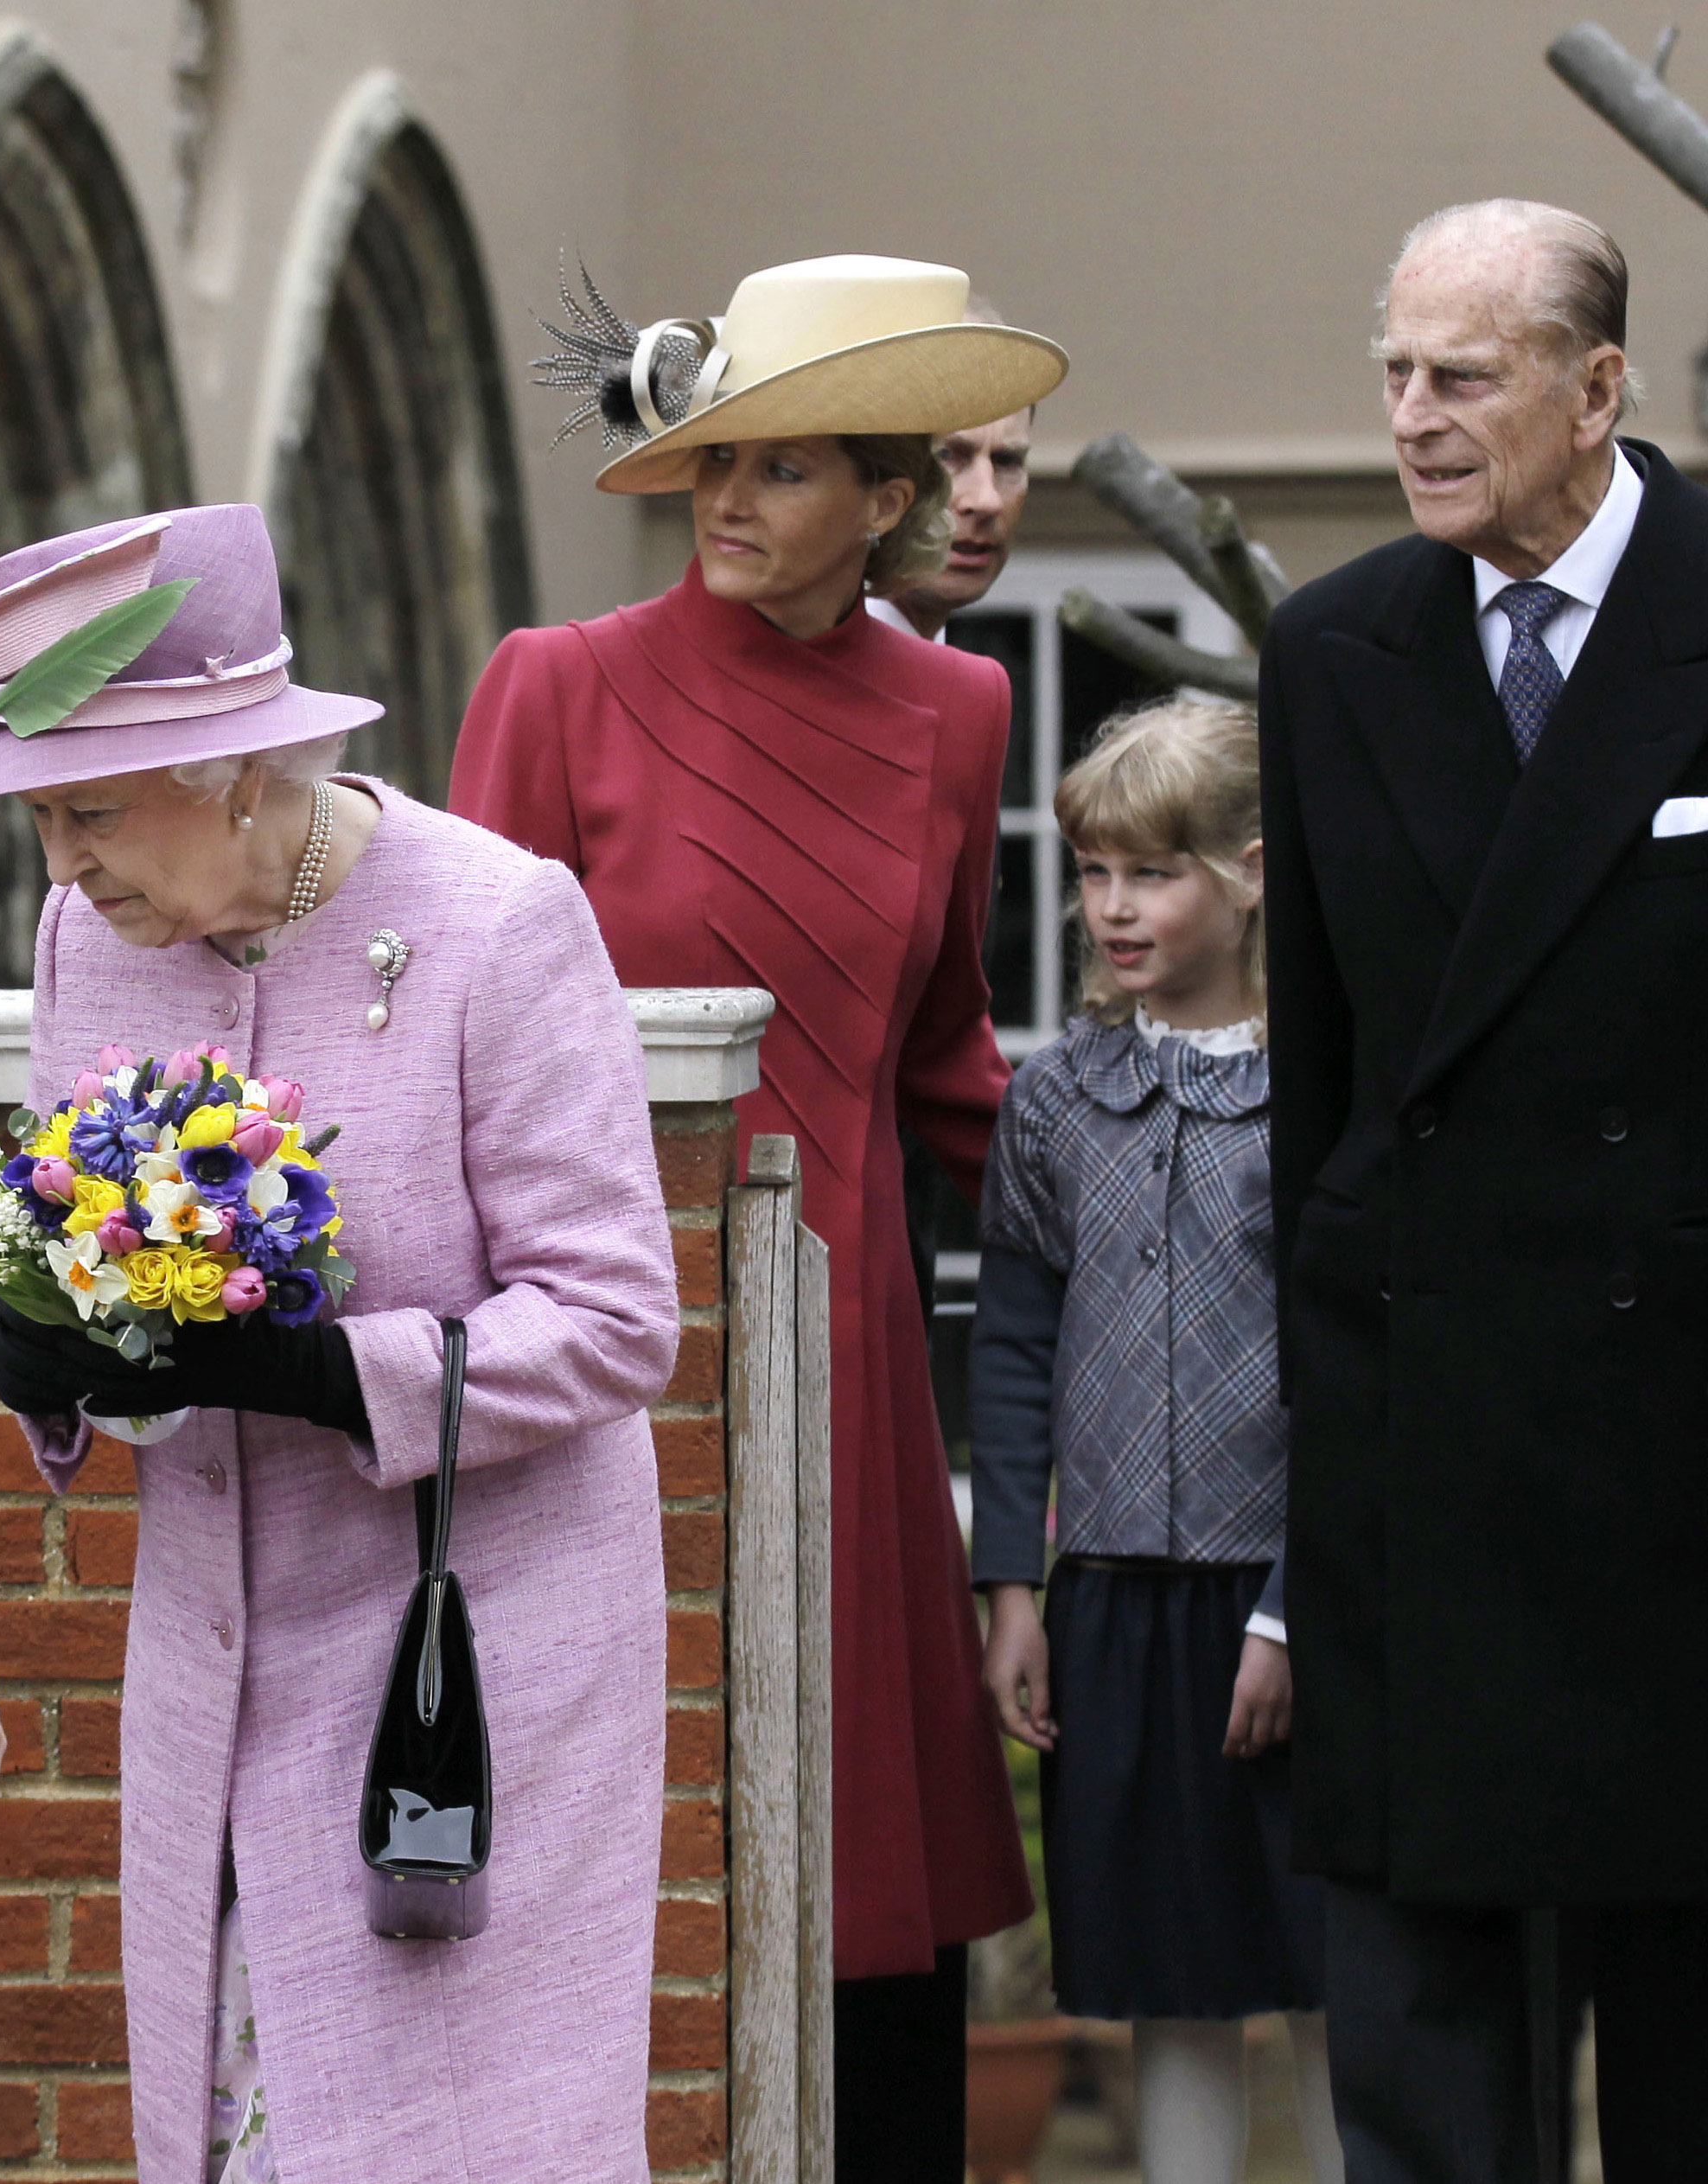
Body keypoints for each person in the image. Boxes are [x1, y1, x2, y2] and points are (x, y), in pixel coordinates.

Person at [0, 501, 679, 2181]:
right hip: (217, 1648)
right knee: (242, 2123)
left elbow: (619, 1322)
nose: (66, 868)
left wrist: (331, 1376)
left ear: (242, 772)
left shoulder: (497, 924)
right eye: (38, 822)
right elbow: (76, 1262)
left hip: (474, 1659)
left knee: (458, 2139)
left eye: (93, 813)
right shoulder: (80, 945)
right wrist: (49, 1355)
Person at [458, 254, 1067, 2179]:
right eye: (712, 459)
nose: (727, 500)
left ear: (887, 499)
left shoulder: (961, 715)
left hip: (859, 1353)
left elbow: (949, 1057)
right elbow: (457, 1040)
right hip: (610, 1341)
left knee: (865, 1869)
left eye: (782, 467)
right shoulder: (553, 688)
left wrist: (1174, 1186)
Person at [1260, 197, 1708, 2181]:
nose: (1413, 418)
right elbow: (1325, 1080)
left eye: (1461, 376)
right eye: (1392, 375)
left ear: (1596, 387)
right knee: (1430, 2074)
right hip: (1418, 1448)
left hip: (1677, 1443)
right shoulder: (1331, 645)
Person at [967, 698, 1343, 2184]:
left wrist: (1293, 1608)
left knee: (1329, 1984)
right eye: (1093, 872)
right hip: (1111, 1604)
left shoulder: (1326, 1094)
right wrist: (1013, 1584)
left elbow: (1358, 1372)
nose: (1110, 907)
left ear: (1248, 871)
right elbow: (1008, 1348)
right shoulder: (1056, 1101)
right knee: (1166, 1988)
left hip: (1297, 1600)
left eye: (1151, 872)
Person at [870, 299, 1037, 642]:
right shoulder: (793, 671)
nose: (987, 500)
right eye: (947, 456)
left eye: (1007, 462)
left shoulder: (962, 680)